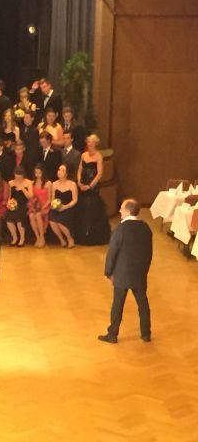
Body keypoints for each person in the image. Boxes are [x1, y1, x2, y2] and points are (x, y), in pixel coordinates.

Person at [99, 199, 152, 344]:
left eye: (122, 208)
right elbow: (149, 252)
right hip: (139, 273)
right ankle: (146, 333)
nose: (119, 211)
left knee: (118, 305)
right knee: (143, 304)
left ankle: (112, 334)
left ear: (128, 211)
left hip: (122, 273)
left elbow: (112, 252)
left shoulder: (120, 229)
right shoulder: (145, 228)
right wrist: (144, 270)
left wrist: (108, 272)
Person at [75, 134, 111, 245]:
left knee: (91, 208)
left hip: (92, 186)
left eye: (92, 142)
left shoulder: (99, 156)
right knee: (82, 208)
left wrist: (90, 186)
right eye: (88, 141)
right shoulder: (83, 155)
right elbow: (80, 169)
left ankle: (92, 235)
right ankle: (81, 235)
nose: (90, 144)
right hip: (82, 184)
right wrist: (79, 182)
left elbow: (99, 174)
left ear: (96, 143)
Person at [49, 164, 78, 248]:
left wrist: (65, 207)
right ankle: (61, 239)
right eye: (59, 169)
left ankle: (70, 239)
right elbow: (52, 199)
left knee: (60, 222)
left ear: (67, 173)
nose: (59, 172)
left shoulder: (72, 184)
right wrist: (54, 205)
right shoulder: (54, 184)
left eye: (62, 170)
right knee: (52, 221)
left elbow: (75, 200)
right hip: (57, 206)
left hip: (68, 206)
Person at [5, 167, 33, 247]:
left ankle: (22, 238)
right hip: (13, 204)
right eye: (16, 176)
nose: (18, 179)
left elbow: (30, 196)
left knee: (19, 219)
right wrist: (8, 203)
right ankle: (14, 237)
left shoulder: (28, 182)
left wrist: (23, 189)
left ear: (23, 175)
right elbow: (9, 196)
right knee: (9, 220)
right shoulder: (11, 183)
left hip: (24, 204)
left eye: (20, 177)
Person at [28, 164, 51, 248]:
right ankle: (37, 237)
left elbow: (50, 199)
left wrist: (43, 206)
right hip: (35, 205)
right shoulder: (32, 183)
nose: (37, 175)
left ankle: (42, 237)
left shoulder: (48, 183)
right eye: (36, 173)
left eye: (39, 173)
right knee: (31, 215)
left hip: (45, 205)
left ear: (43, 173)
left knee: (38, 215)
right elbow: (31, 196)